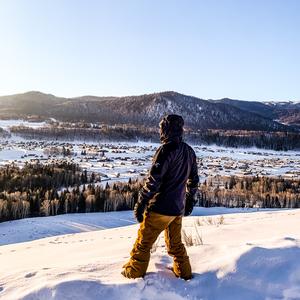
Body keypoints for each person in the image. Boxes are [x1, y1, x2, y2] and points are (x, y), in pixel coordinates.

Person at [122, 114, 199, 280]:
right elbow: (194, 180)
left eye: (162, 128)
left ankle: (133, 272)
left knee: (143, 243)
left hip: (160, 207)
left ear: (167, 129)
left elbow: (153, 180)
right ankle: (184, 273)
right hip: (177, 208)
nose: (160, 131)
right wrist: (190, 200)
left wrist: (142, 202)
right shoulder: (188, 151)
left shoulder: (166, 150)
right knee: (175, 244)